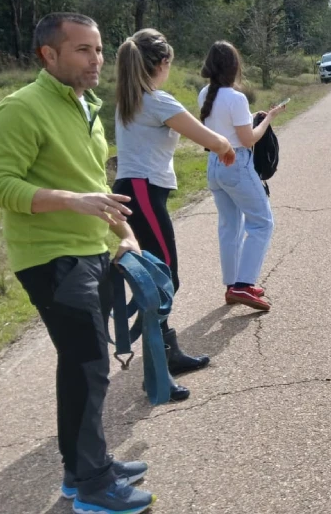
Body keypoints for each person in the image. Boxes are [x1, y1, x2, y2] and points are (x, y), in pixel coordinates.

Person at [0, 12, 156, 513]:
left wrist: (127, 236)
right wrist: (71, 201)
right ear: (49, 54)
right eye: (82, 50)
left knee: (85, 366)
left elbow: (95, 186)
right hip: (50, 258)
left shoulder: (86, 107)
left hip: (93, 251)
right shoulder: (21, 108)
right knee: (88, 364)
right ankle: (93, 486)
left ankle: (84, 469)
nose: (96, 60)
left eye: (98, 49)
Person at [112, 28, 238, 399]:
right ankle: (159, 367)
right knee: (162, 279)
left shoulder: (132, 100)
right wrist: (225, 147)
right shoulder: (156, 100)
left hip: (140, 190)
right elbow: (210, 138)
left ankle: (169, 353)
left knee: (161, 276)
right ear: (163, 62)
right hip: (143, 191)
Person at [197, 41, 284, 311]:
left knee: (229, 226)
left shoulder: (205, 94)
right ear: (234, 67)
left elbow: (226, 125)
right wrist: (268, 119)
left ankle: (232, 285)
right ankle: (244, 285)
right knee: (262, 223)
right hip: (236, 163)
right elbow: (248, 140)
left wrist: (253, 117)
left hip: (215, 164)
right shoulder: (236, 98)